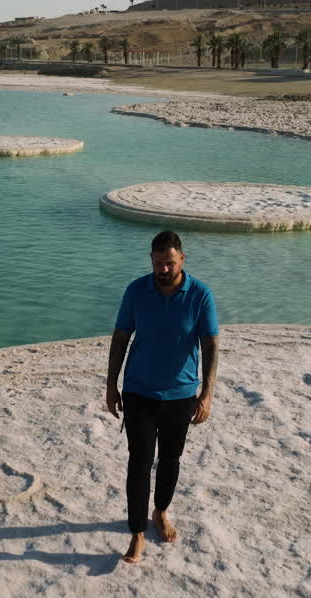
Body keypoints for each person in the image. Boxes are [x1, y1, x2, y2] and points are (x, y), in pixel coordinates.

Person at [106, 229, 219, 565]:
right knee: (139, 462)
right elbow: (120, 338)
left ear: (182, 259)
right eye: (158, 263)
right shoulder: (136, 291)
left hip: (181, 394)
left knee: (171, 459)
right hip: (139, 390)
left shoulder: (200, 295)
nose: (164, 270)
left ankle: (160, 511)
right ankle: (137, 532)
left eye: (170, 263)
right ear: (151, 260)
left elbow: (210, 345)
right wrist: (111, 385)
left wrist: (207, 393)